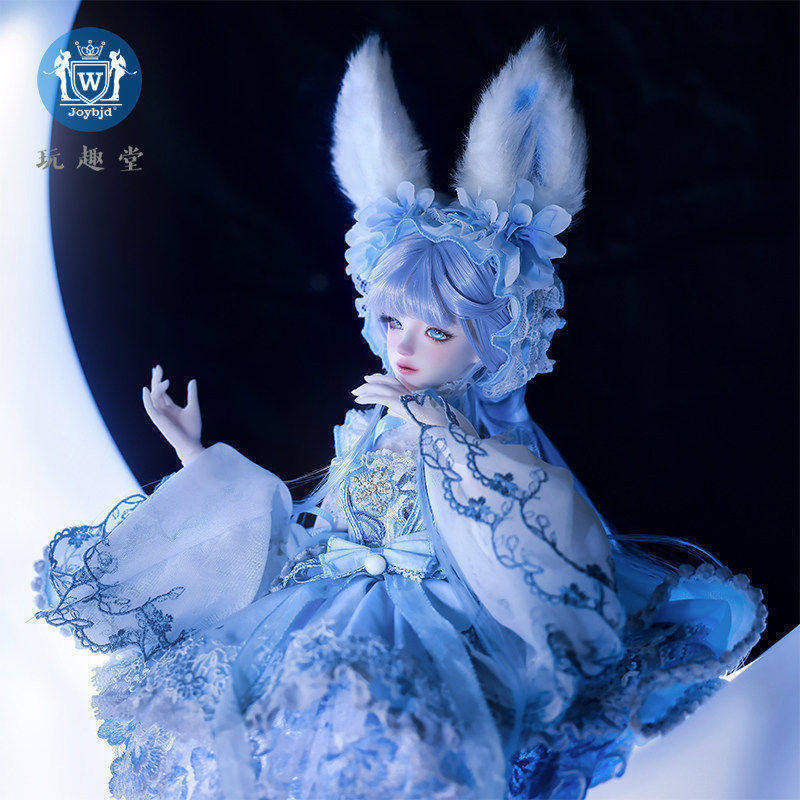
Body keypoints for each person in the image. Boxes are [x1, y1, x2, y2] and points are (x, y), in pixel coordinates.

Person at [31, 30, 767, 800]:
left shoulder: (484, 445)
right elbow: (304, 538)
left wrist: (441, 436)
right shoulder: (372, 424)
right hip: (318, 617)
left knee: (403, 746)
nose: (406, 347)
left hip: (432, 636)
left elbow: (535, 531)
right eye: (393, 323)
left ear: (493, 342)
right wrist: (196, 457)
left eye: (438, 332)